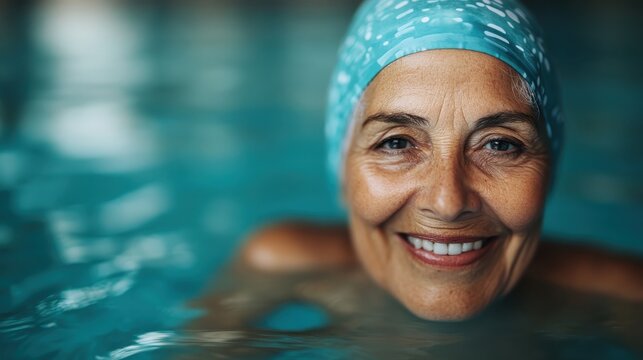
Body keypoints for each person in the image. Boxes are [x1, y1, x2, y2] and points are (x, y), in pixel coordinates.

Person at [240, 0, 643, 321]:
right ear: (341, 165)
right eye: (397, 143)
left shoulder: (623, 296)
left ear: (551, 165)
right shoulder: (278, 267)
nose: (448, 203)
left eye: (500, 145)